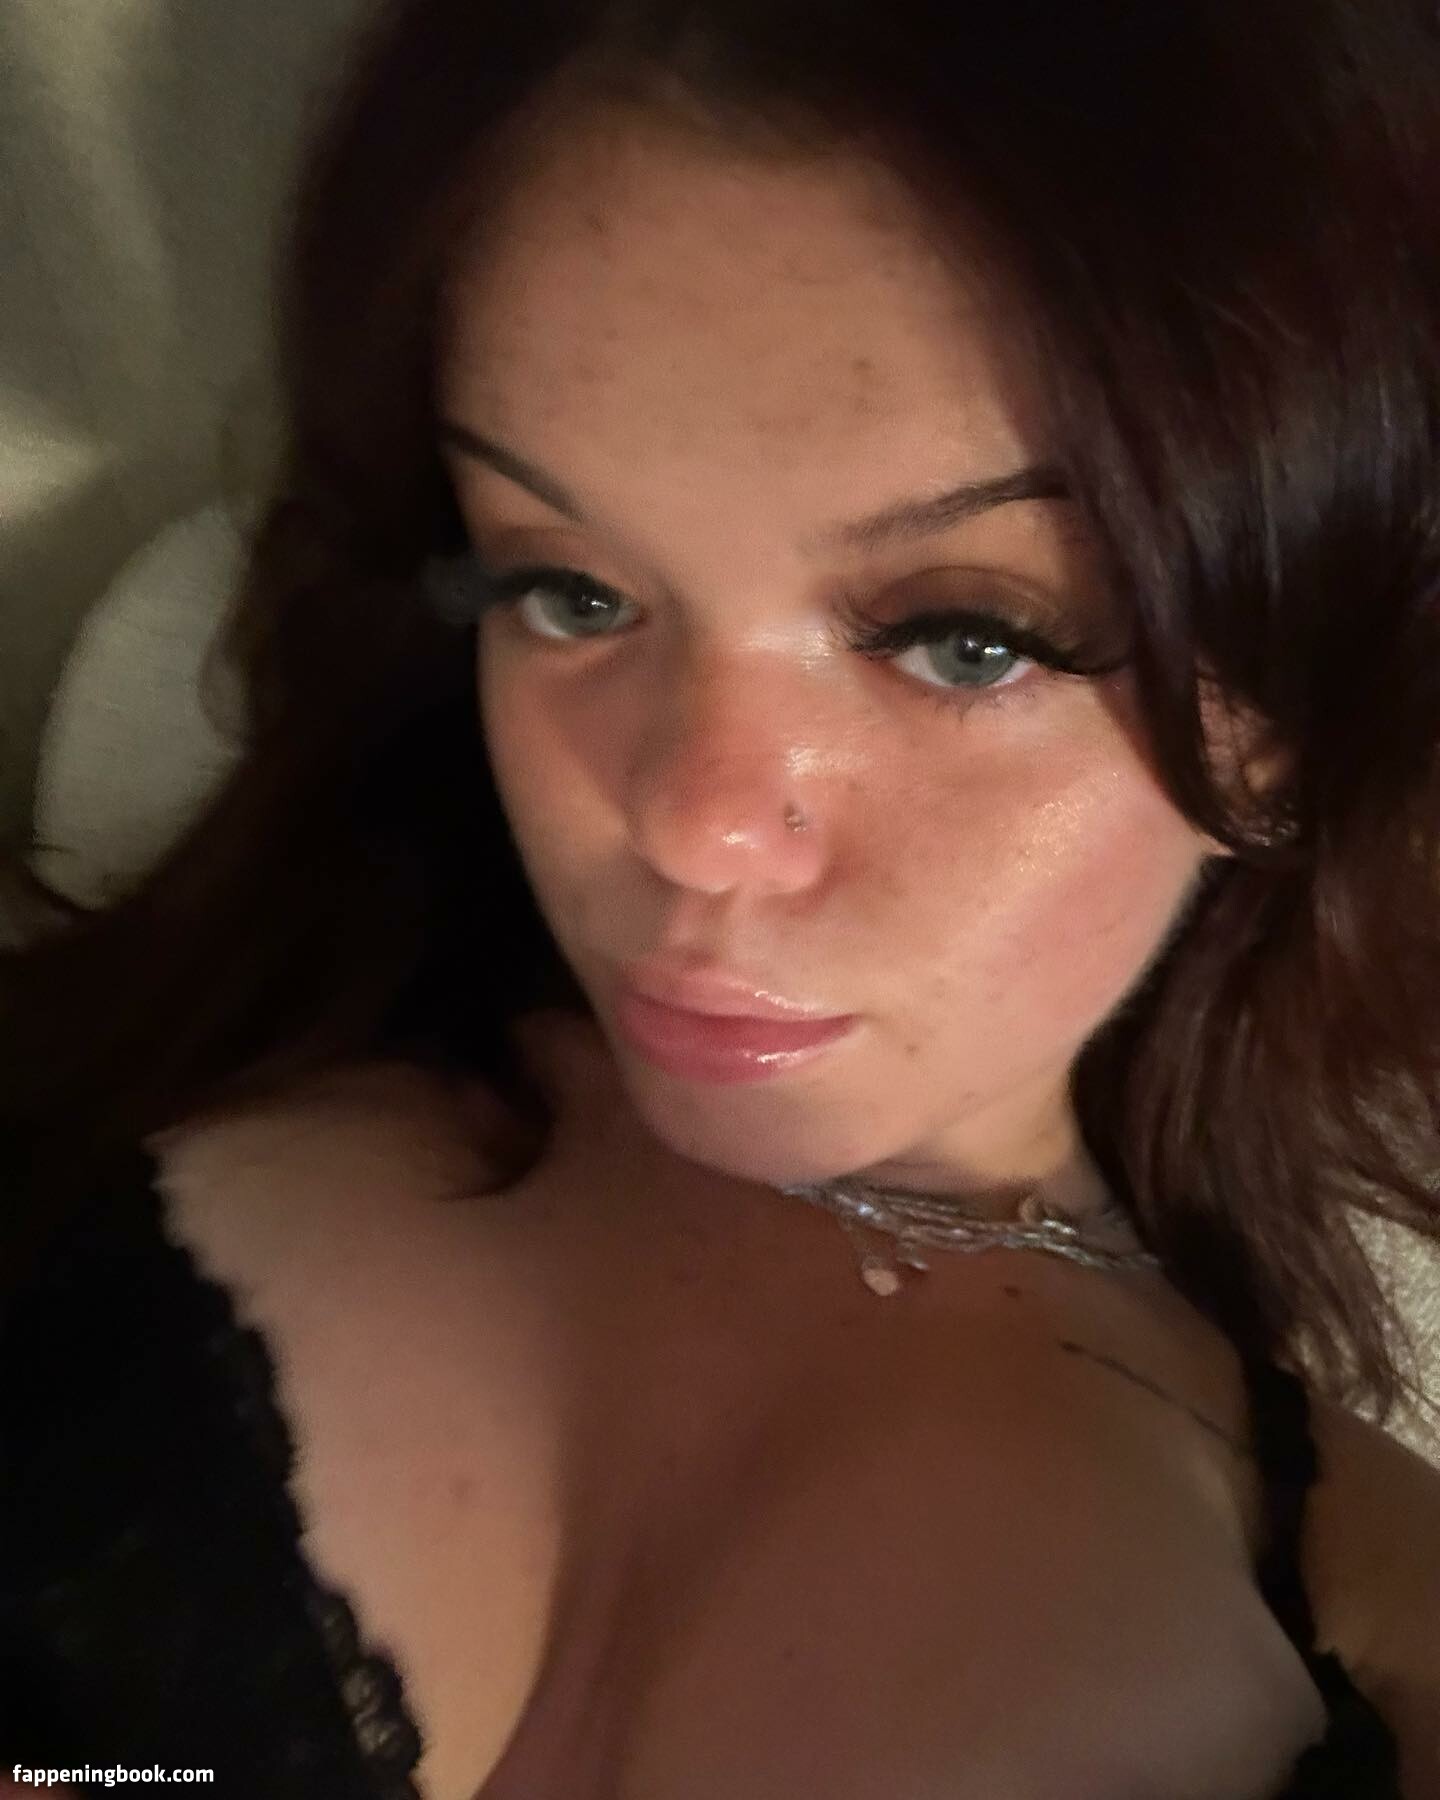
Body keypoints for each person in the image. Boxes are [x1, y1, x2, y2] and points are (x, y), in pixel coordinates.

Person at [2, 0, 1439, 1793]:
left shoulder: (1377, 1592)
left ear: (1288, 724)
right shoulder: (236, 1010)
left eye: (966, 637)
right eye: (572, 591)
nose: (691, 829)